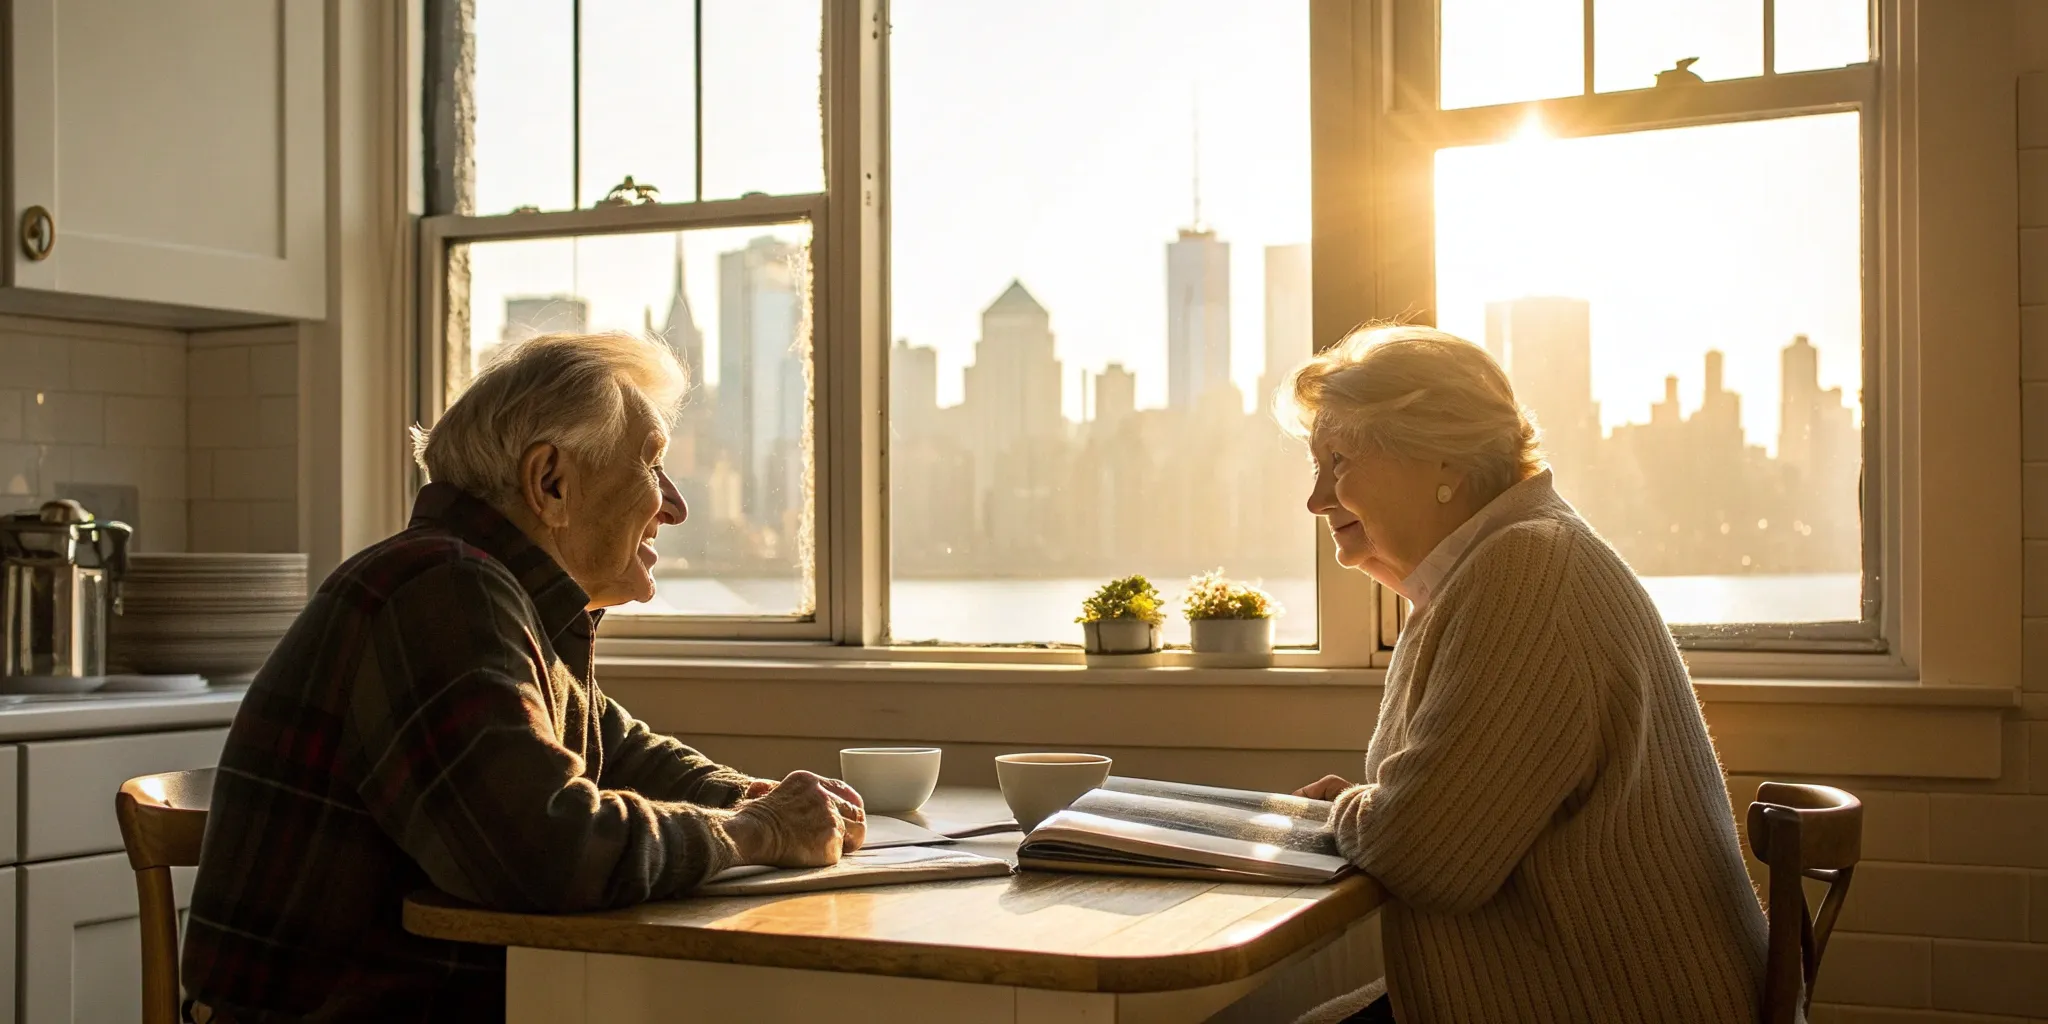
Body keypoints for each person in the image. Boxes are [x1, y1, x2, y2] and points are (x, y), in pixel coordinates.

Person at [182, 332, 864, 1022]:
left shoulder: (490, 588)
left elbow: (618, 749)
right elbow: (549, 850)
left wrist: (749, 795)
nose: (674, 505)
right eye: (653, 465)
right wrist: (755, 831)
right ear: (551, 483)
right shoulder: (443, 590)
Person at [1281, 327, 1767, 1023]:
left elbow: (1424, 854)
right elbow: (1430, 819)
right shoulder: (1491, 567)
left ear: (1438, 453)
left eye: (1338, 461)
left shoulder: (1526, 573)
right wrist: (1374, 809)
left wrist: (1345, 814)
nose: (1317, 499)